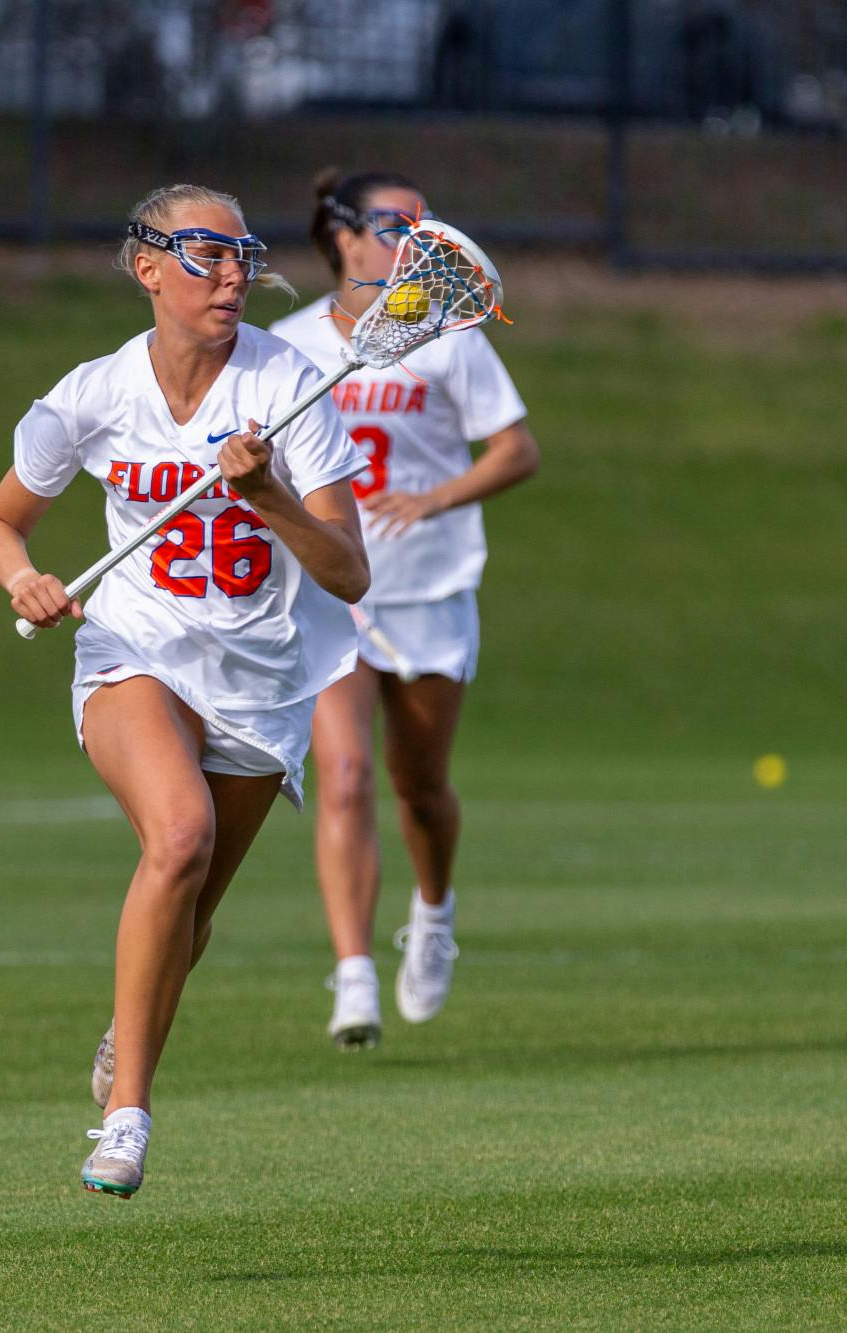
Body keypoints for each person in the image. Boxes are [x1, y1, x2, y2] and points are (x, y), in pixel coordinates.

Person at [0, 183, 369, 1198]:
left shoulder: (290, 388)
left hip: (261, 675)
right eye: (205, 254)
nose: (232, 274)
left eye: (244, 255)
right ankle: (127, 1117)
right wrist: (22, 575)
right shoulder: (95, 393)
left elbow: (348, 573)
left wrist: (270, 494)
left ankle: (127, 1025)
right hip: (134, 648)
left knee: (190, 905)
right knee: (179, 835)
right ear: (146, 266)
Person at [269, 170, 538, 1051]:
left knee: (419, 788)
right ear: (343, 237)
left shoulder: (448, 337)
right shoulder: (285, 344)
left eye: (424, 224)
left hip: (428, 589)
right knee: (342, 778)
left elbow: (516, 449)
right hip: (331, 592)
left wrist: (438, 497)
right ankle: (353, 977)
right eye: (394, 224)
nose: (414, 239)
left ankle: (433, 911)